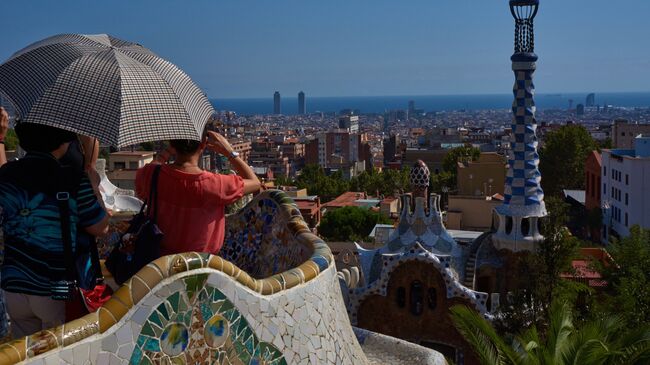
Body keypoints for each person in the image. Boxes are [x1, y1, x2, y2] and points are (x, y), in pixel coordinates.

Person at [0, 122, 109, 338]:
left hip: (14, 283)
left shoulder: (6, 174)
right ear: (63, 143)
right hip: (54, 287)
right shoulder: (72, 179)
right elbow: (100, 227)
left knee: (23, 354)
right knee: (56, 353)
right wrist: (94, 187)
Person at [135, 130, 260, 256]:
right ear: (203, 144)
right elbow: (255, 183)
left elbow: (149, 171)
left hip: (157, 264)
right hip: (201, 266)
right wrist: (229, 152)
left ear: (173, 143)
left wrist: (166, 153)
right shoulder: (215, 184)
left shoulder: (151, 174)